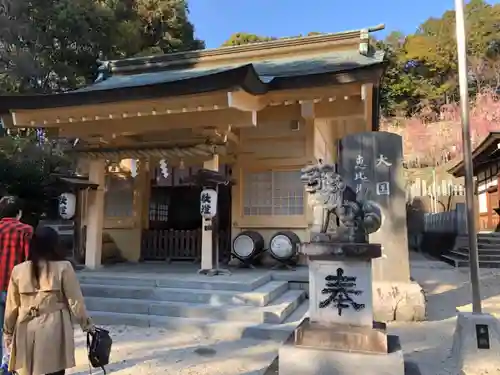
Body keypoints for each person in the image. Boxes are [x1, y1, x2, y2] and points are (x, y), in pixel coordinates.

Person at [3, 226, 94, 375]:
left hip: (25, 327)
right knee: (54, 370)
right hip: (54, 326)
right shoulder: (64, 267)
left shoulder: (18, 270)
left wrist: (8, 332)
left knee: (26, 370)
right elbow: (75, 302)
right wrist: (87, 325)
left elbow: (12, 306)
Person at [0, 196, 33, 361]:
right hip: (17, 290)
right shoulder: (26, 230)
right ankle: (12, 366)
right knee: (17, 331)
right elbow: (30, 261)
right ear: (19, 213)